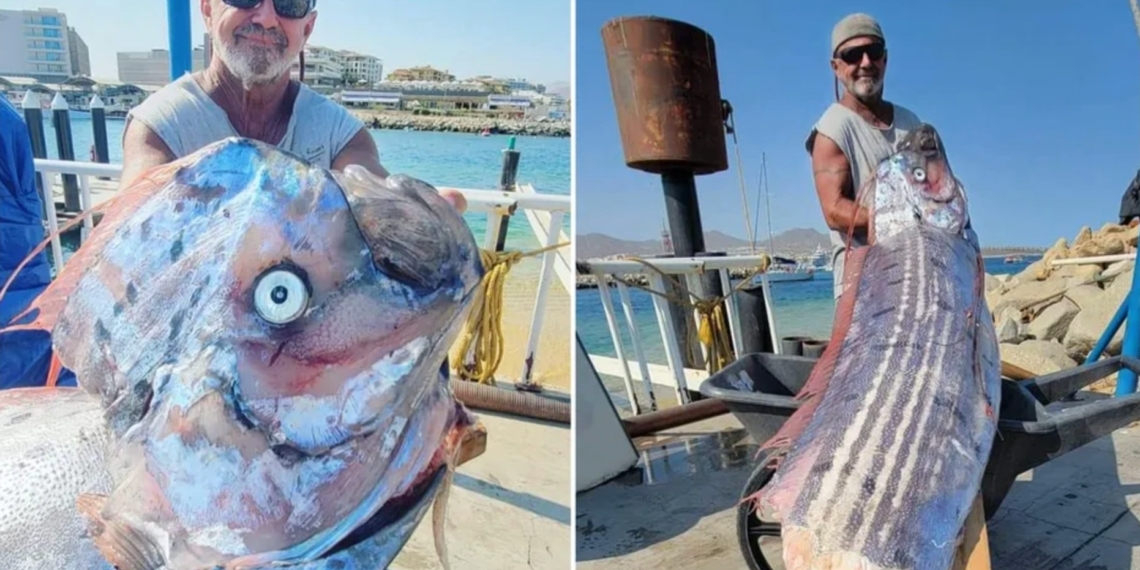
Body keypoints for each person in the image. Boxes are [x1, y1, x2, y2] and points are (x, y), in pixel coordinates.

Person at [120, 0, 466, 213]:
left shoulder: (340, 134)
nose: (267, 17)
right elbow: (127, 233)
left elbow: (369, 187)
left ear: (308, 27)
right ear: (208, 9)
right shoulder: (160, 125)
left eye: (290, 1)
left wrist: (417, 214)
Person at [805, 13, 923, 299]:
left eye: (874, 51)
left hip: (915, 273)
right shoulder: (833, 128)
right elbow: (833, 210)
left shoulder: (911, 123)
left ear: (886, 58)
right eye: (853, 55)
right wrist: (899, 218)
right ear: (836, 67)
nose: (866, 63)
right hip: (863, 284)